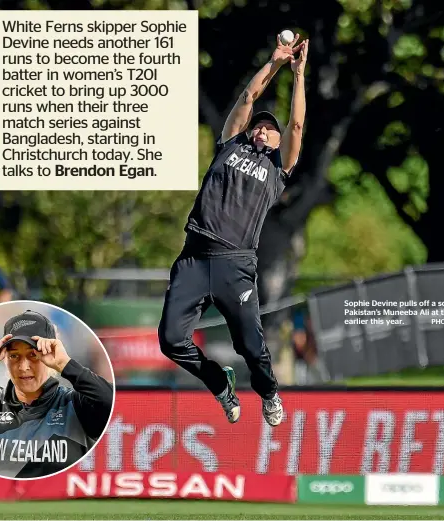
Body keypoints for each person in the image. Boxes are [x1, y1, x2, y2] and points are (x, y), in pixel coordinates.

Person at [158, 34, 308, 426]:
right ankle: (220, 385)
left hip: (234, 264)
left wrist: (298, 75)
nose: (261, 130)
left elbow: (295, 123)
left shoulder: (278, 170)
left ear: (278, 142)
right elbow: (247, 98)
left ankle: (269, 392)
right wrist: (274, 62)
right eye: (258, 127)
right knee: (171, 341)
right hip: (194, 258)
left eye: (268, 130)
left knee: (250, 345)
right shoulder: (229, 146)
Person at [0, 310, 114, 478]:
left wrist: (65, 364)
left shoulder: (75, 405)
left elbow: (110, 400)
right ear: (4, 359)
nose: (23, 367)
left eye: (33, 355)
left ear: (49, 356)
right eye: (14, 356)